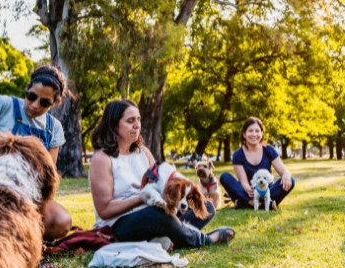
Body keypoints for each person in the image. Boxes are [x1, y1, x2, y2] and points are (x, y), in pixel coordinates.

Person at [89, 99, 235, 249]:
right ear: (114, 125)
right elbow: (104, 210)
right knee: (158, 215)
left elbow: (160, 184)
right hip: (119, 226)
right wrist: (142, 198)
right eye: (130, 121)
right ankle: (204, 240)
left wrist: (177, 197)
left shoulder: (143, 152)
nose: (137, 125)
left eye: (138, 119)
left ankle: (165, 240)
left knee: (205, 206)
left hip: (153, 213)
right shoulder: (102, 159)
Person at [0, 64, 73, 241]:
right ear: (27, 89)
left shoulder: (53, 127)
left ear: (55, 103)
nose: (34, 105)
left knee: (61, 221)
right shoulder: (4, 105)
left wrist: (32, 206)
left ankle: (28, 242)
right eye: (31, 96)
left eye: (45, 102)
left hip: (28, 193)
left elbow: (48, 174)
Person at [219, 117, 295, 209]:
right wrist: (248, 189)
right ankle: (253, 202)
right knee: (225, 177)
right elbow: (243, 182)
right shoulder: (238, 155)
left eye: (257, 131)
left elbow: (283, 171)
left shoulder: (269, 150)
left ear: (262, 134)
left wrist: (286, 174)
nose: (254, 134)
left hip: (267, 191)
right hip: (248, 193)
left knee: (291, 181)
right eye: (250, 131)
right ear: (244, 134)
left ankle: (246, 203)